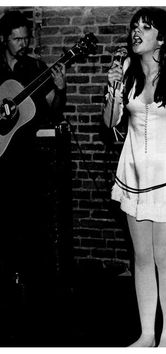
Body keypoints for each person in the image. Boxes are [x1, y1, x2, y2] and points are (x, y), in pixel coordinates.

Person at [103, 7, 166, 347]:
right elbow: (109, 123)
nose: (137, 31)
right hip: (133, 171)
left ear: (160, 39)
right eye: (135, 26)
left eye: (145, 27)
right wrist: (113, 89)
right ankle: (147, 334)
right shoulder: (127, 71)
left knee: (164, 256)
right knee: (142, 258)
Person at [0, 10, 66, 289]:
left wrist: (60, 88)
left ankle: (30, 278)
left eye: (26, 38)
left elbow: (53, 108)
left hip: (27, 157)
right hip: (2, 158)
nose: (23, 44)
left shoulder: (36, 69)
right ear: (3, 39)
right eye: (17, 39)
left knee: (30, 219)